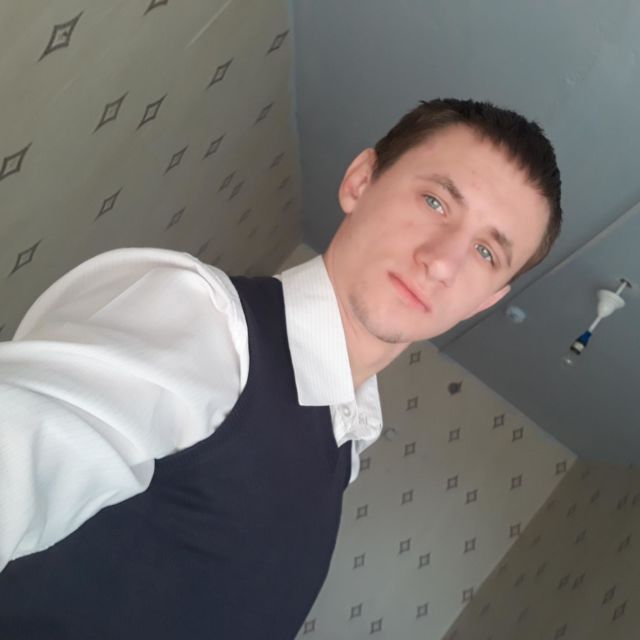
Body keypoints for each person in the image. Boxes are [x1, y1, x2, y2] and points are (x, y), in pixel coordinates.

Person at [0, 98, 562, 639]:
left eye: (486, 253)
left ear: (487, 300)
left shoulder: (345, 450)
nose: (442, 263)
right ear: (360, 181)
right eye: (435, 202)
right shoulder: (205, 322)